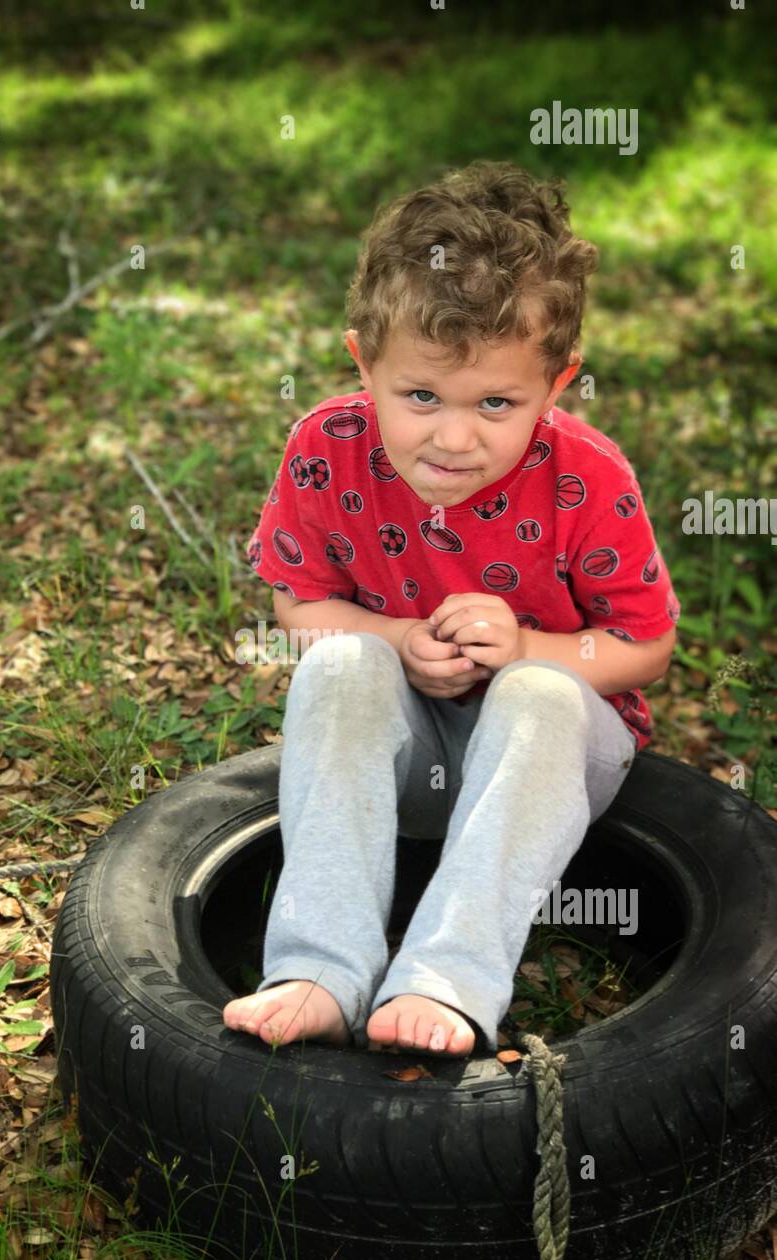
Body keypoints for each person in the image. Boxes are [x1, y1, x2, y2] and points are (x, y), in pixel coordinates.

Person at [223, 160, 680, 1058]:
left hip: (551, 758)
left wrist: (528, 650)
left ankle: (447, 977)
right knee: (343, 662)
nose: (454, 436)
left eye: (497, 403)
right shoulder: (326, 448)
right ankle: (320, 965)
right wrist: (393, 637)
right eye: (420, 395)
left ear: (557, 384)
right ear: (364, 363)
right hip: (411, 755)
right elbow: (299, 607)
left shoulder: (587, 477)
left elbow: (645, 646)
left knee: (538, 694)